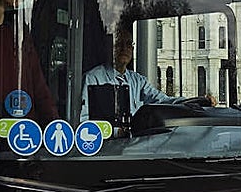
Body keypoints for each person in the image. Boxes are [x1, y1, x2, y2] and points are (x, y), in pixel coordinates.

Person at [79, 24, 212, 121]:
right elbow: (83, 120)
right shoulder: (92, 78)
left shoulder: (137, 81)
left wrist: (195, 102)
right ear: (110, 47)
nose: (124, 49)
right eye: (119, 44)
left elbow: (163, 101)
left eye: (128, 44)